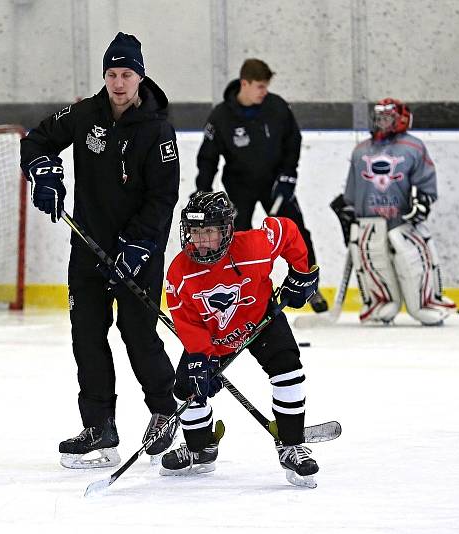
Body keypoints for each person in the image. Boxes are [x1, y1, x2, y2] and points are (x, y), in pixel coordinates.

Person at [20, 32, 180, 468]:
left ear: (140, 76)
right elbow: (36, 140)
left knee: (138, 335)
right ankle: (99, 427)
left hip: (137, 254)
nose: (118, 82)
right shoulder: (86, 113)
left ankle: (167, 411)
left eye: (126, 74)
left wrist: (138, 246)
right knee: (87, 336)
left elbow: (163, 198)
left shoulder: (158, 131)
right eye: (111, 73)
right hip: (88, 248)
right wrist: (46, 175)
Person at [162, 191, 320, 488]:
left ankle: (291, 444)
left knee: (289, 370)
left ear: (225, 231)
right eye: (195, 232)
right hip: (215, 338)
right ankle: (200, 449)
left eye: (208, 231)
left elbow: (287, 229)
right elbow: (188, 321)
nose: (201, 241)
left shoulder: (255, 246)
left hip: (261, 322)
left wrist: (300, 272)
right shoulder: (179, 272)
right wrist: (201, 357)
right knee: (187, 388)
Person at [192, 58, 328, 313]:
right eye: (260, 87)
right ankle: (241, 288)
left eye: (266, 87)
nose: (264, 92)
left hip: (275, 183)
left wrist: (289, 175)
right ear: (245, 83)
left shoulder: (276, 107)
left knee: (296, 231)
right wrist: (203, 188)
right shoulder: (221, 116)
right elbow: (208, 156)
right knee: (238, 237)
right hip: (239, 186)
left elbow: (293, 140)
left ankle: (310, 285)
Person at [333, 97, 456, 326]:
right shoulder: (360, 151)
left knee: (416, 263)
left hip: (404, 222)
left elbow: (425, 184)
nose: (381, 123)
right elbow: (351, 192)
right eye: (378, 118)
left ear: (401, 120)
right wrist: (348, 212)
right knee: (373, 265)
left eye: (387, 118)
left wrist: (423, 202)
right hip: (370, 224)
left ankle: (426, 303)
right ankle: (380, 305)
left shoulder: (413, 147)